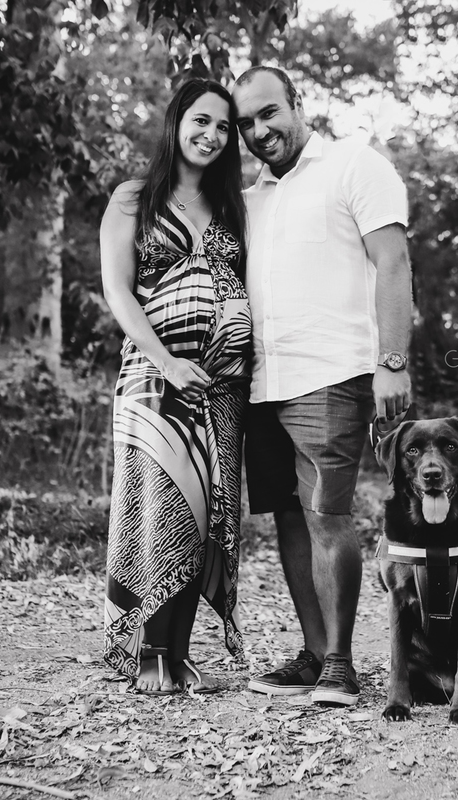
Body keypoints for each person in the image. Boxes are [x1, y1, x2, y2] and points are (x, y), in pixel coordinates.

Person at [232, 66, 413, 706]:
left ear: (297, 103)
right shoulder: (250, 200)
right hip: (261, 383)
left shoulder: (353, 166)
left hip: (331, 374)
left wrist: (392, 361)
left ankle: (341, 665)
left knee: (326, 515)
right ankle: (313, 655)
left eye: (269, 113)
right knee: (287, 516)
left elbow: (392, 261)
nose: (259, 131)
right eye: (246, 123)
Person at [100, 78, 251, 695]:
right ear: (176, 121)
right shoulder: (133, 198)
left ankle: (179, 652)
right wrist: (167, 362)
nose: (212, 135)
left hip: (221, 388)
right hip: (154, 378)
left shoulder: (232, 206)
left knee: (204, 516)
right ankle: (149, 651)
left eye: (224, 127)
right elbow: (118, 291)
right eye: (202, 121)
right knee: (157, 506)